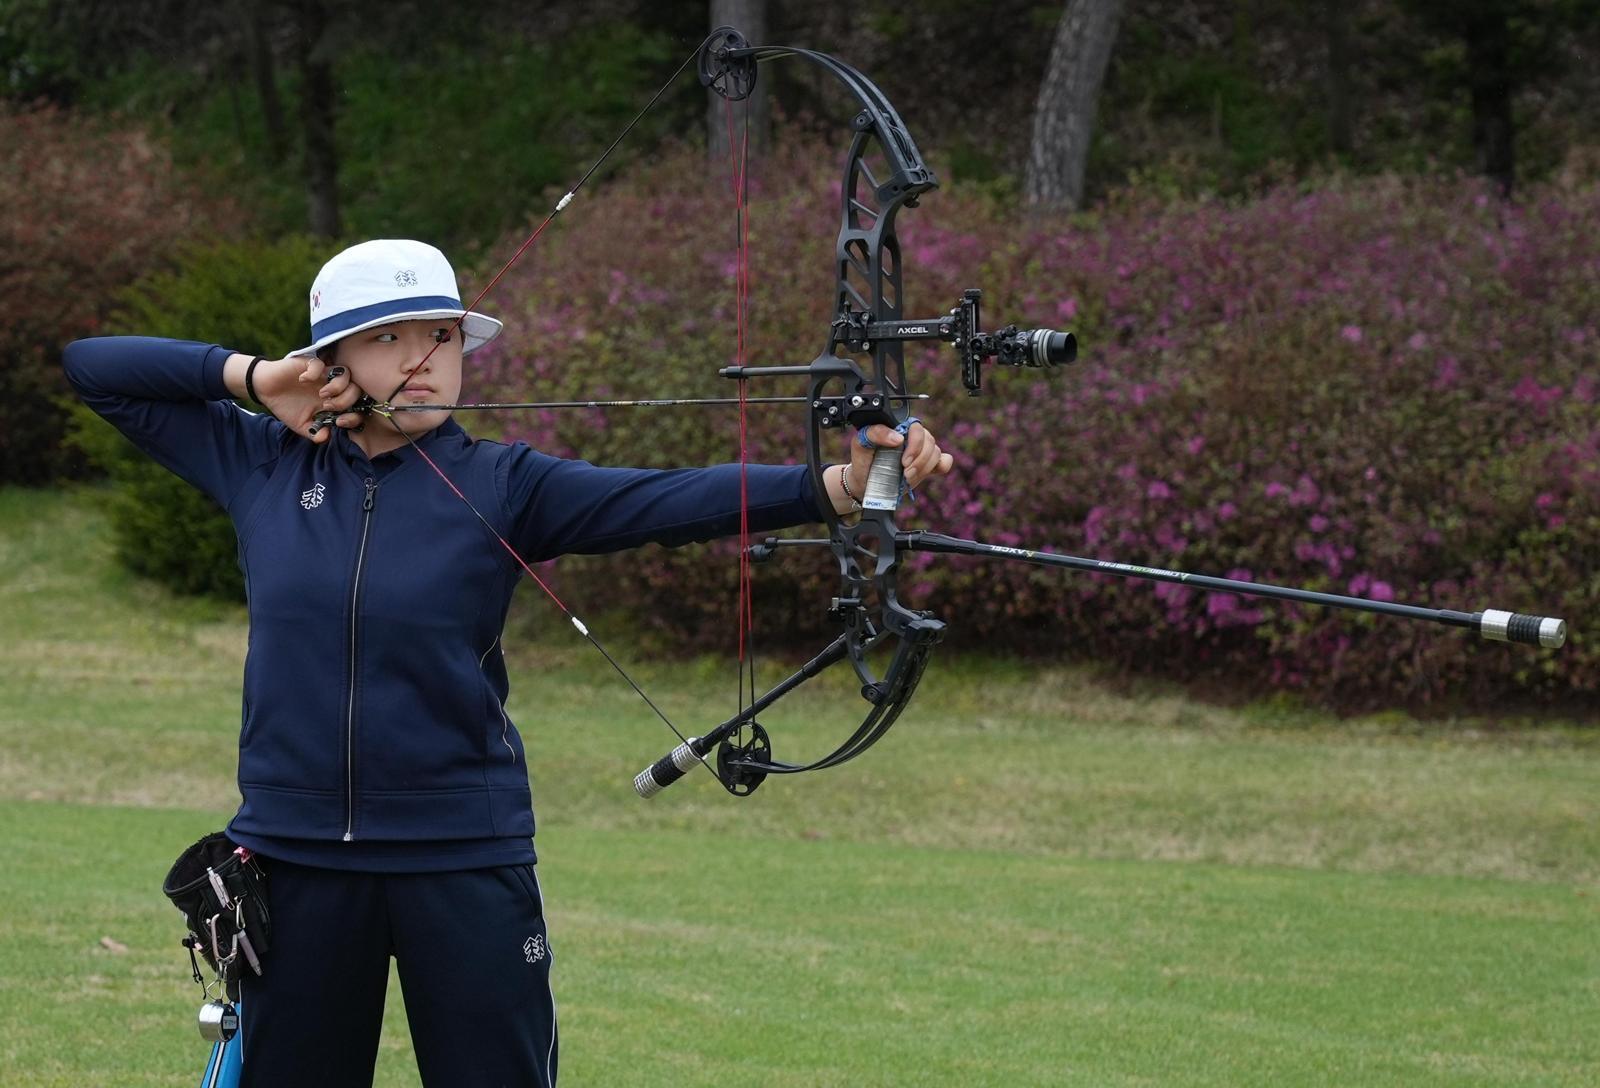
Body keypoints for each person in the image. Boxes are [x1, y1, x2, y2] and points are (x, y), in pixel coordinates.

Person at [63, 238, 953, 1087]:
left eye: (440, 336)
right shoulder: (259, 460)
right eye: (389, 338)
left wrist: (839, 486)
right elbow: (93, 366)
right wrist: (255, 379)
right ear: (333, 360)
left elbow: (662, 500)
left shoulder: (504, 483)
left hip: (462, 853)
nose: (424, 360)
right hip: (296, 861)